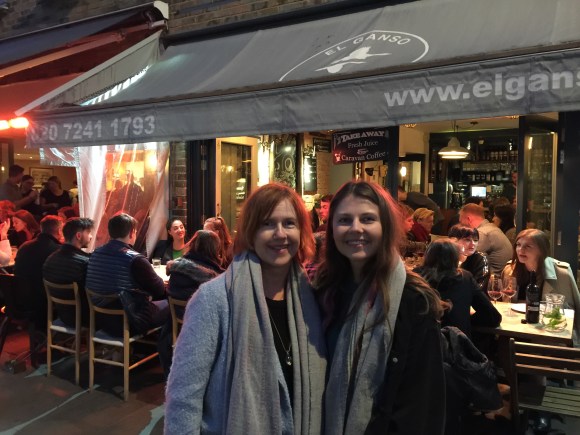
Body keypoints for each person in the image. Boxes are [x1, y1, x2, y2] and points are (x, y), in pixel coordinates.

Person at [165, 183, 326, 434]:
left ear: (302, 231)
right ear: (250, 232)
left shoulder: (311, 300)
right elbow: (183, 399)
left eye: (289, 223)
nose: (280, 233)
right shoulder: (213, 300)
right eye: (267, 224)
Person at [315, 180, 445, 434]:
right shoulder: (323, 292)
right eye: (344, 220)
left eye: (367, 219)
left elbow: (423, 407)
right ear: (331, 229)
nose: (356, 228)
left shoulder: (414, 301)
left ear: (385, 226)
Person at [85, 213, 168, 336]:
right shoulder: (135, 259)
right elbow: (159, 290)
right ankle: (165, 347)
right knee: (172, 306)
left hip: (99, 319)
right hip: (129, 321)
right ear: (131, 233)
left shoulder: (95, 253)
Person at [158, 230, 225, 378]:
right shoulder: (216, 277)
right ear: (214, 249)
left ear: (193, 244)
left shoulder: (177, 268)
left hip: (175, 325)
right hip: (202, 326)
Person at [501, 229, 580, 346]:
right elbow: (503, 306)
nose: (520, 249)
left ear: (542, 250)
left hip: (548, 336)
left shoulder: (561, 273)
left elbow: (575, 310)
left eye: (528, 246)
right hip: (514, 331)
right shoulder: (509, 270)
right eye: (518, 245)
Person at [416, 238, 501, 338]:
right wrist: (465, 319)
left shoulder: (415, 276)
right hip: (455, 343)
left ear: (427, 255)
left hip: (419, 342)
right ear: (456, 258)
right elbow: (493, 317)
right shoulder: (465, 277)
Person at [14, 215, 64, 331]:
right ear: (59, 231)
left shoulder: (24, 246)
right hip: (44, 302)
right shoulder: (57, 250)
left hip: (20, 298)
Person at [43, 218, 94, 327]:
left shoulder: (50, 258)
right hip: (84, 317)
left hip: (62, 315)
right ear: (78, 236)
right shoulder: (84, 262)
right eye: (89, 233)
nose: (91, 236)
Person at [459, 203, 512, 275]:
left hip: (493, 279)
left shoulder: (482, 233)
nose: (461, 226)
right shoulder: (490, 228)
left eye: (461, 222)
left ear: (469, 219)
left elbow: (465, 259)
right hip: (498, 276)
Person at [448, 224, 490, 291]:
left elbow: (479, 288)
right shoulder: (445, 256)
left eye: (475, 240)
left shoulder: (481, 258)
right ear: (453, 240)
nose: (473, 243)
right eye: (467, 240)